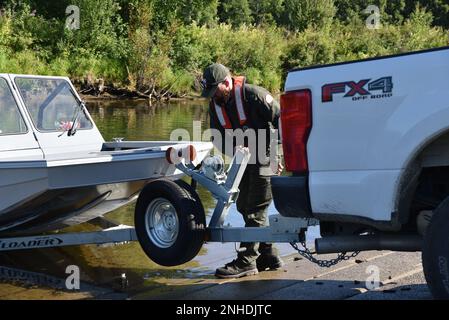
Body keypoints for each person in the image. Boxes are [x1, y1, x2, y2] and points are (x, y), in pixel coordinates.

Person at [201, 63, 284, 278]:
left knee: (256, 207)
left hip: (266, 155)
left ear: (227, 83)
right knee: (243, 205)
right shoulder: (215, 104)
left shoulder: (254, 95)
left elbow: (283, 121)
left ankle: (247, 261)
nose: (212, 97)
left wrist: (278, 156)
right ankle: (268, 254)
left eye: (214, 91)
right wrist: (233, 149)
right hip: (243, 160)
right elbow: (217, 137)